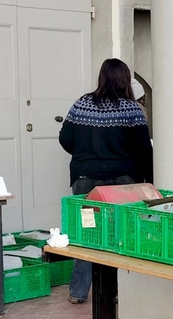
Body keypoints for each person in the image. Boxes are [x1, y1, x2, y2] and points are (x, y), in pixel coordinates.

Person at [59, 59, 153, 304]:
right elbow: (144, 150)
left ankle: (78, 292)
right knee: (121, 233)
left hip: (85, 183)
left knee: (87, 233)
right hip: (122, 185)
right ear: (125, 80)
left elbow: (65, 139)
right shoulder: (132, 109)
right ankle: (119, 292)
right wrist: (146, 181)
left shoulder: (81, 104)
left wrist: (86, 156)